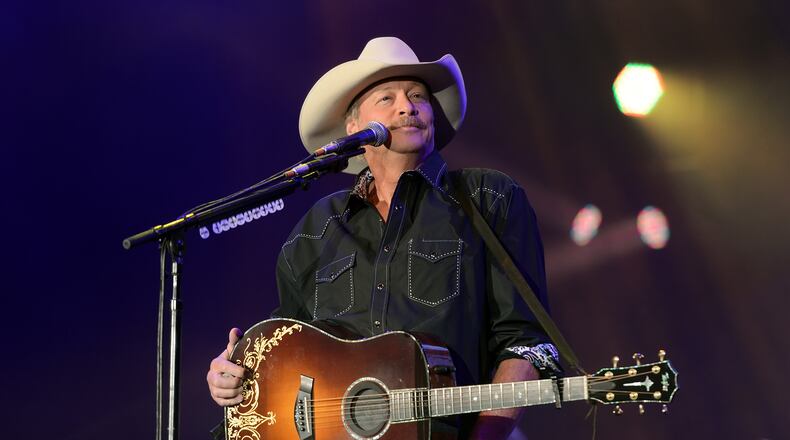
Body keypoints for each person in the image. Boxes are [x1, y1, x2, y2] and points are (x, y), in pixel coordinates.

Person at [206, 37, 561, 439]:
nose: (407, 106)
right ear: (354, 126)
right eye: (387, 98)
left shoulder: (488, 198)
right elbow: (281, 349)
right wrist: (233, 373)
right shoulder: (316, 229)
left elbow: (526, 342)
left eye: (417, 96)